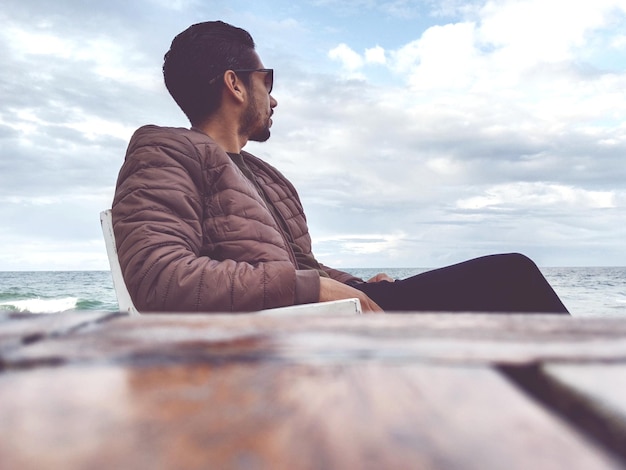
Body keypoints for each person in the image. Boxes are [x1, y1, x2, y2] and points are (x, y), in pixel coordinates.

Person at [111, 21, 569, 315]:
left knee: (500, 295)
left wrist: (350, 283)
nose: (273, 98)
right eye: (266, 81)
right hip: (290, 333)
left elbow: (302, 265)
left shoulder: (268, 178)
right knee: (511, 275)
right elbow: (160, 278)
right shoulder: (165, 151)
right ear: (233, 83)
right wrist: (314, 291)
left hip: (316, 318)